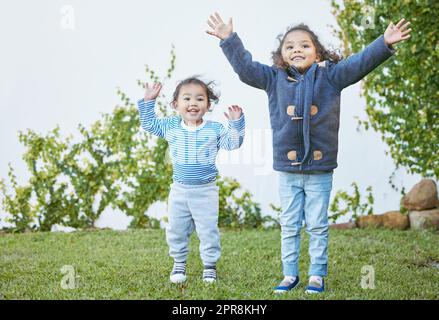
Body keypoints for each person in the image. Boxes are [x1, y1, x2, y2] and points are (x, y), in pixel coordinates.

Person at [206, 12, 411, 293]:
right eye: (289, 46)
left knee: (317, 225)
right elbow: (245, 68)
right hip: (288, 171)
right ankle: (290, 274)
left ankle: (317, 274)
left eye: (304, 45)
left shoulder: (331, 76)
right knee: (289, 225)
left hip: (320, 169)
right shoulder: (272, 78)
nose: (296, 49)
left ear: (317, 53)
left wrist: (383, 43)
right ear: (281, 55)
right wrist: (229, 39)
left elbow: (359, 63)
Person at [137, 77, 245, 283]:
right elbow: (149, 123)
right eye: (187, 98)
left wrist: (235, 123)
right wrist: (149, 100)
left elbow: (233, 143)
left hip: (206, 191)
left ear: (208, 105)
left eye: (199, 99)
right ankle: (179, 263)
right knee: (176, 229)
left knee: (208, 230)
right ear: (176, 104)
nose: (193, 103)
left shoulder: (214, 129)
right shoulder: (171, 125)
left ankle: (210, 266)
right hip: (179, 191)